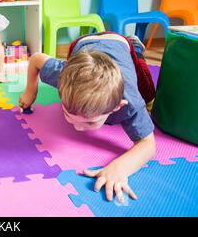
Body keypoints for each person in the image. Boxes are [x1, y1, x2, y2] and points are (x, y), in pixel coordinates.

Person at [19, 32, 156, 203]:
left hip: (120, 43)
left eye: (90, 122)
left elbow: (148, 145)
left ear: (116, 107)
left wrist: (119, 168)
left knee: (149, 93)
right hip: (82, 44)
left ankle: (136, 46)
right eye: (68, 115)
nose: (77, 128)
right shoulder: (62, 76)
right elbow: (36, 59)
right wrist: (30, 91)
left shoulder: (130, 102)